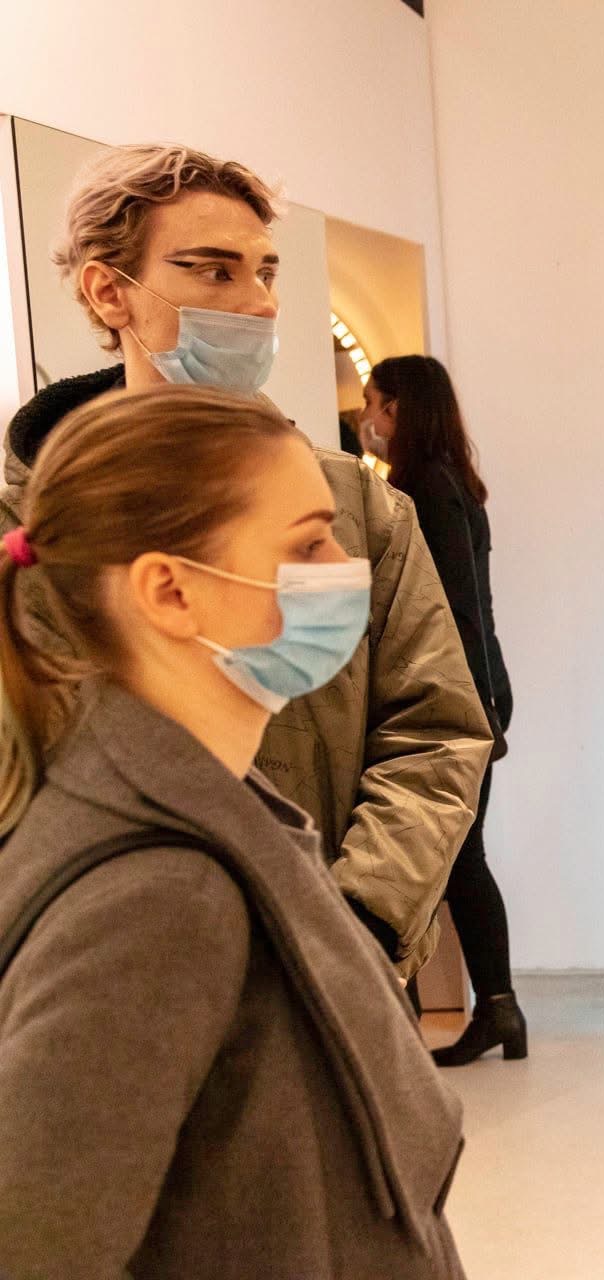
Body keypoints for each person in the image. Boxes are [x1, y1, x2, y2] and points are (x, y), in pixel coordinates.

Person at [0, 387, 466, 1277]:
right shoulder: (156, 897)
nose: (345, 567)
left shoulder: (205, 804)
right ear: (170, 590)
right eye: (308, 545)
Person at [1, 143, 490, 978]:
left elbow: (435, 731)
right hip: (99, 967)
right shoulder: (28, 531)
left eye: (266, 271)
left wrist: (357, 927)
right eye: (214, 271)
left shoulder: (357, 506)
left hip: (333, 961)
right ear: (110, 290)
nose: (259, 302)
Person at [360, 355, 522, 1064]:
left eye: (372, 403)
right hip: (474, 689)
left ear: (397, 410)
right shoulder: (453, 484)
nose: (365, 418)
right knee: (459, 858)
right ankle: (497, 1010)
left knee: (448, 860)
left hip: (451, 696)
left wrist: (474, 711)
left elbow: (451, 605)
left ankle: (478, 1011)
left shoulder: (424, 489)